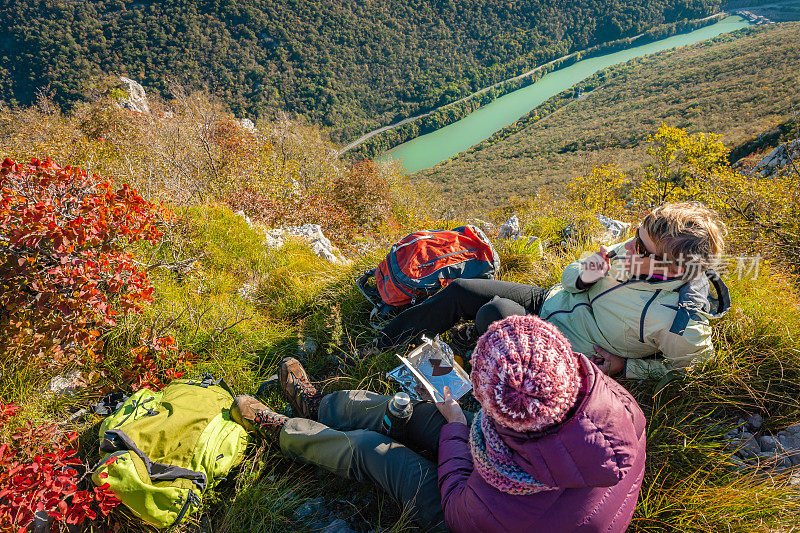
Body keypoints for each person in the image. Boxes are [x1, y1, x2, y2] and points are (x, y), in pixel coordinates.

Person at [232, 315, 646, 532]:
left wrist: (455, 428)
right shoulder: (611, 404)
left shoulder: (496, 505)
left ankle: (285, 431)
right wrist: (459, 423)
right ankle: (320, 406)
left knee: (374, 453)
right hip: (531, 471)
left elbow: (455, 500)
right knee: (415, 410)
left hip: (473, 518)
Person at [374, 201, 731, 379]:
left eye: (642, 247)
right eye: (636, 237)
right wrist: (584, 275)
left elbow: (696, 367)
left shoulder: (677, 319)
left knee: (494, 314)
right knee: (463, 289)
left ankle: (485, 363)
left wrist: (628, 367)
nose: (630, 247)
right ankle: (379, 348)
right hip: (551, 301)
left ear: (671, 267)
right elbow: (568, 276)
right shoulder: (640, 248)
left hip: (566, 348)